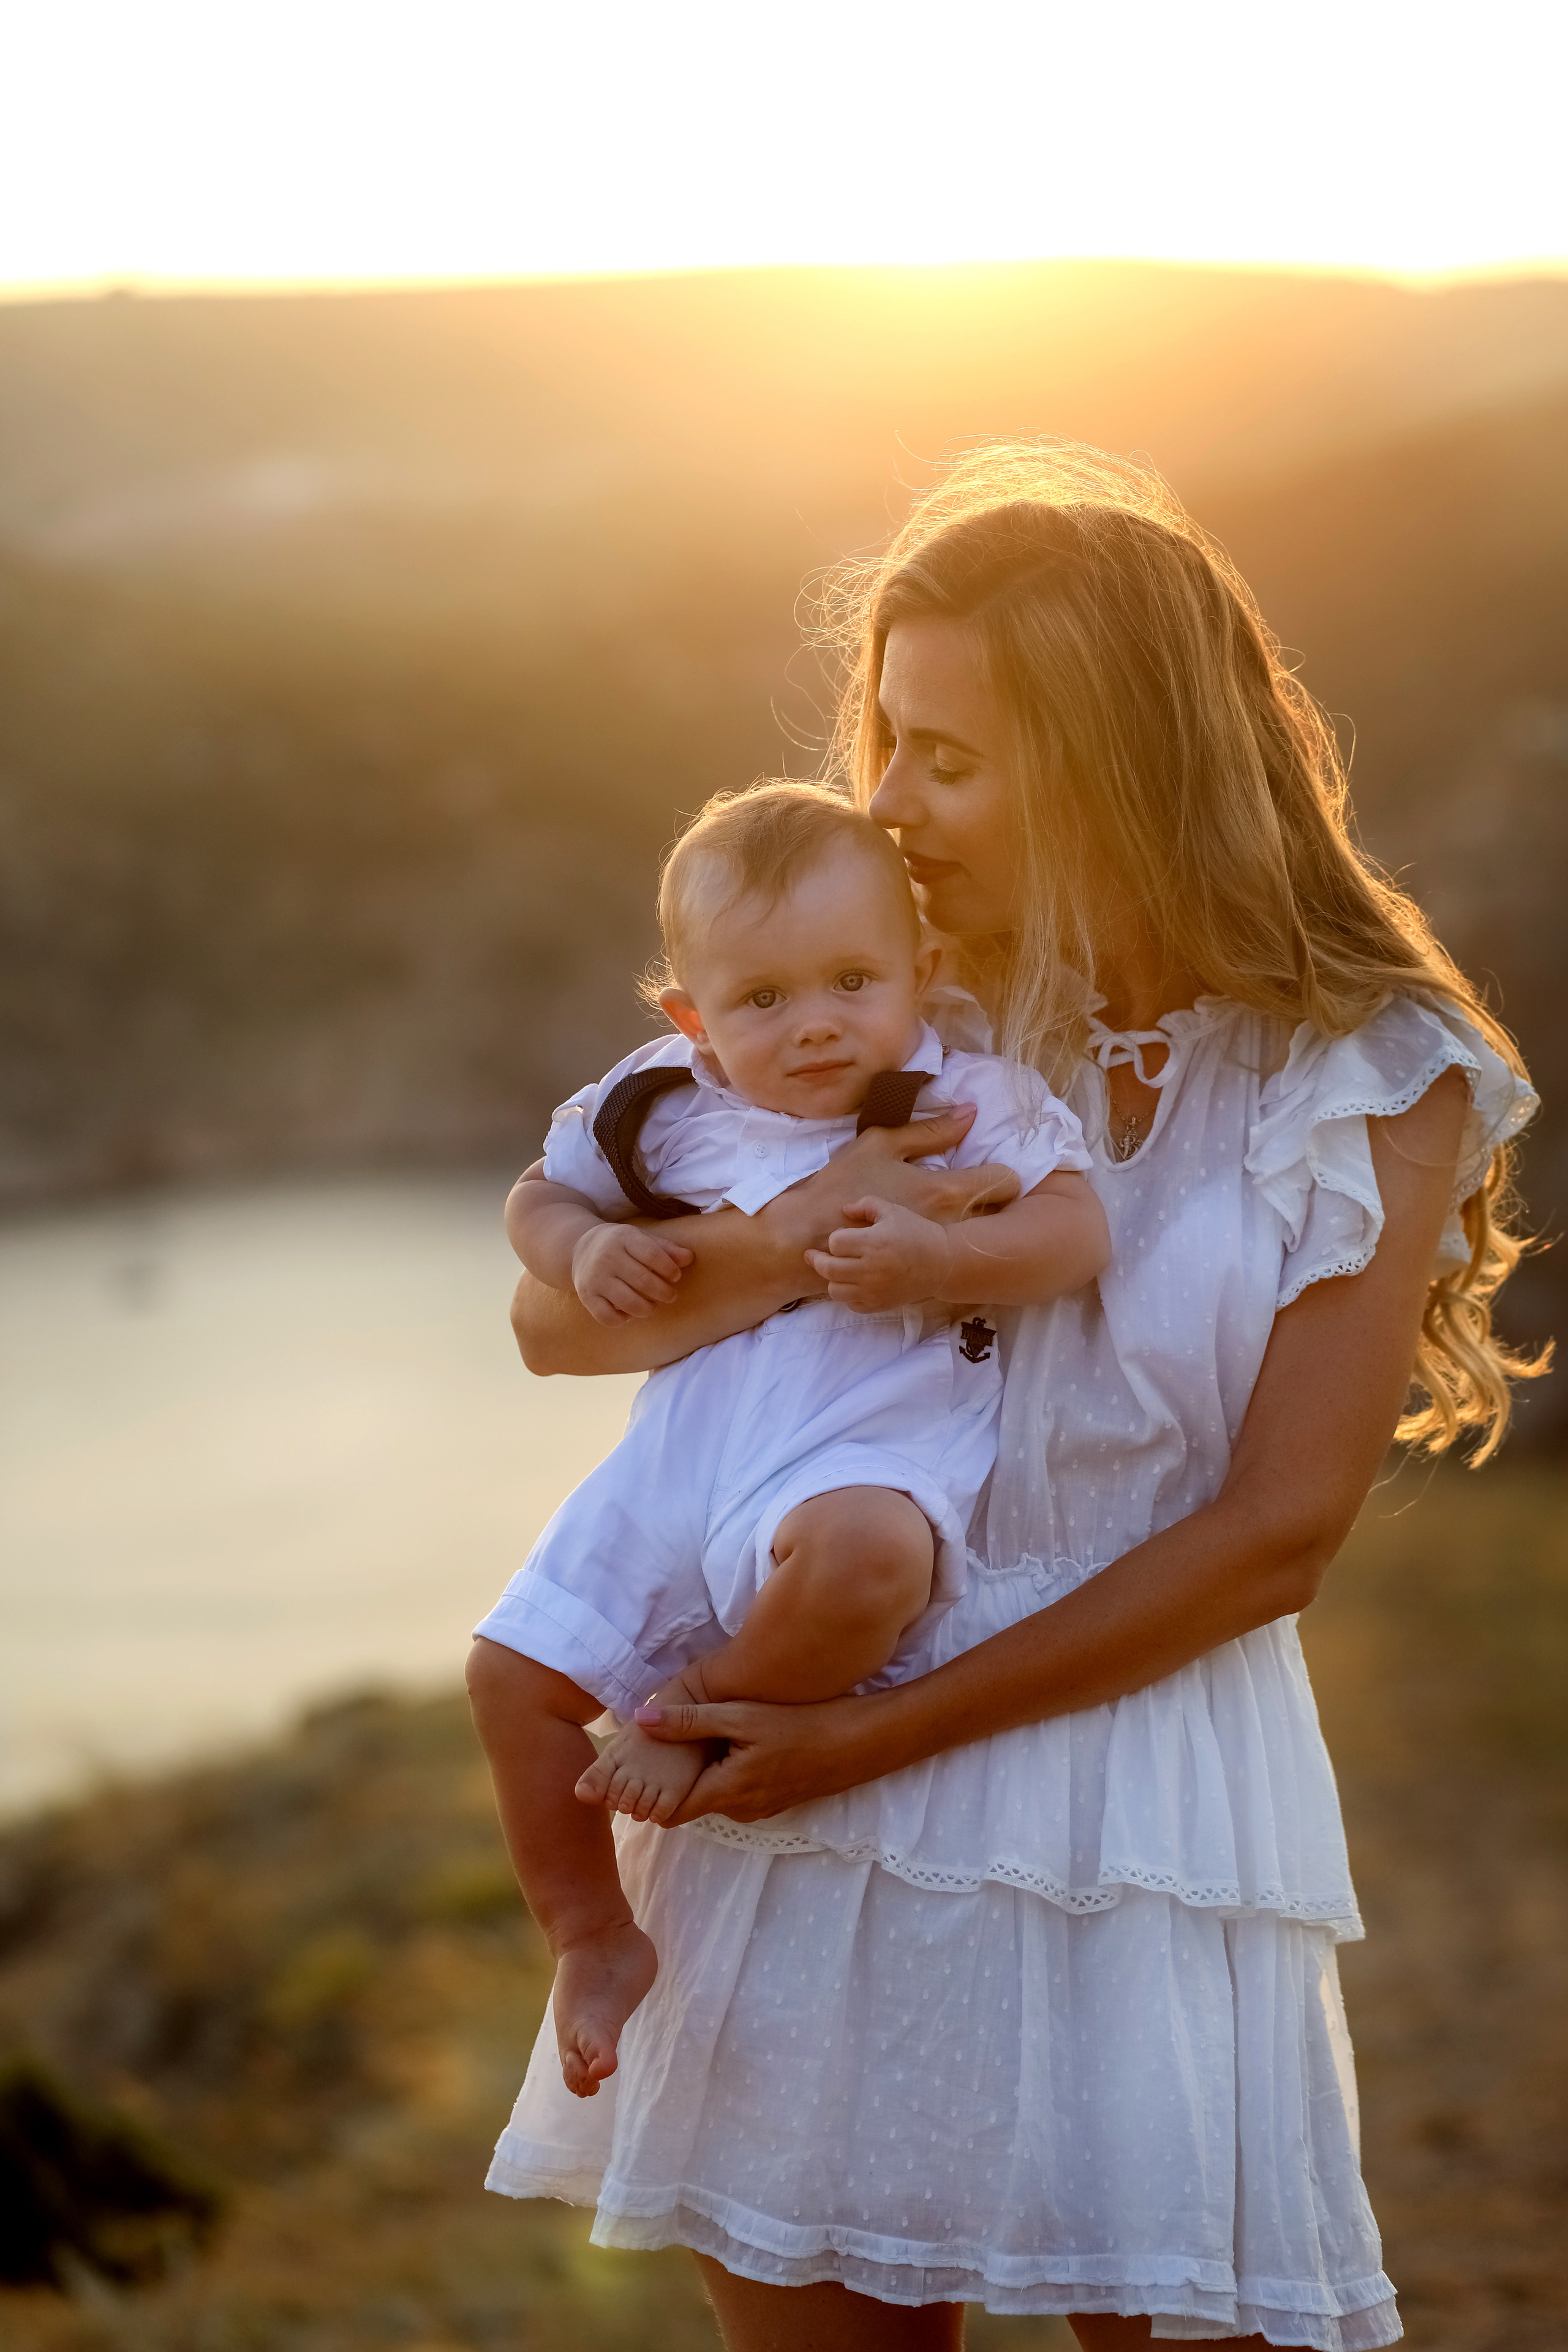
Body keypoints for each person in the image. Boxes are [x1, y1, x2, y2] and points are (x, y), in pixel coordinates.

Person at [467, 443, 1542, 2350]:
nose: (884, 798)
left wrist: (860, 1742)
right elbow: (567, 1332)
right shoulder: (889, 1001)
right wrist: (816, 1229)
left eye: (945, 757)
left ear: (1116, 756)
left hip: (1136, 1785)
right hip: (822, 1710)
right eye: (887, 737)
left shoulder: (1377, 1067)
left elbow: (1279, 1533)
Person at [475, 778, 1107, 2095]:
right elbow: (535, 1201)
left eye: (849, 982)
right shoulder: (655, 1102)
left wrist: (946, 1250)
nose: (815, 1027)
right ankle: (590, 1934)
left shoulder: (961, 1093)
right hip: (680, 1458)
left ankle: (694, 1706)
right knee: (507, 1678)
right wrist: (585, 1244)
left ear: (919, 974)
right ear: (690, 1018)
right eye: (761, 1001)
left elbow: (1074, 1234)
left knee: (866, 1565)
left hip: (862, 1444)